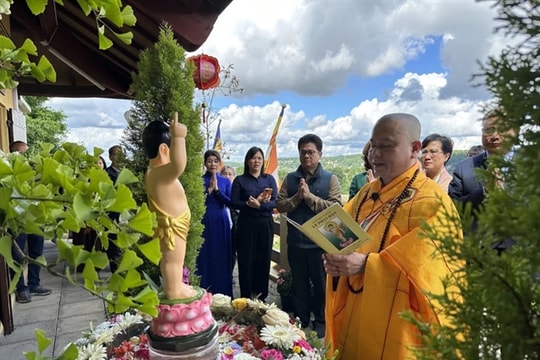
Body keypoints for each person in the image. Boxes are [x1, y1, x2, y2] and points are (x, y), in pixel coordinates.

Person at [324, 113, 461, 359]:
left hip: (399, 322)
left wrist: (366, 264)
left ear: (414, 148)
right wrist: (335, 256)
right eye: (373, 146)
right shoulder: (367, 193)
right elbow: (336, 230)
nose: (375, 154)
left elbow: (432, 273)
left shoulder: (432, 201)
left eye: (386, 146)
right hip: (356, 308)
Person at [276, 134, 342, 338]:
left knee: (321, 285)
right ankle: (302, 319)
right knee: (299, 284)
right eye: (303, 152)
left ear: (320, 154)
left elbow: (336, 207)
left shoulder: (330, 178)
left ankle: (321, 320)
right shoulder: (290, 178)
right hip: (296, 242)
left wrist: (309, 198)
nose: (306, 156)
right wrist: (297, 198)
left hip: (320, 244)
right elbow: (280, 204)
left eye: (311, 152)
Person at [142, 113, 197, 300]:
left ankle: (176, 284)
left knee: (175, 259)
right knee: (172, 260)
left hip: (175, 224)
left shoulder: (153, 173)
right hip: (171, 226)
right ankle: (173, 290)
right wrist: (179, 137)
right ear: (165, 149)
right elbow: (179, 165)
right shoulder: (159, 173)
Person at [448, 110, 517, 251]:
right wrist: (483, 192)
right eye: (488, 130)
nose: (494, 136)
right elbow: (452, 209)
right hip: (479, 256)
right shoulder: (464, 168)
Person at [230, 147, 277, 301]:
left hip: (265, 223)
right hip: (246, 224)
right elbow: (234, 202)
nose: (256, 161)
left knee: (263, 258)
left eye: (259, 158)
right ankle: (246, 297)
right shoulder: (240, 180)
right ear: (247, 161)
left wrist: (261, 205)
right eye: (253, 158)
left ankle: (261, 297)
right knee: (246, 259)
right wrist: (249, 205)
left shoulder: (269, 179)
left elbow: (276, 202)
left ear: (263, 161)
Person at [9, 141, 52, 303]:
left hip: (35, 217)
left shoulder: (34, 172)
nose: (25, 157)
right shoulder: (8, 175)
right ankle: (21, 288)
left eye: (26, 153)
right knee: (17, 255)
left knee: (37, 252)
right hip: (17, 220)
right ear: (13, 154)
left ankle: (34, 283)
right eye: (21, 153)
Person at [197, 150, 233, 296]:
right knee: (205, 255)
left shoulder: (225, 181)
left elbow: (231, 202)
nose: (213, 164)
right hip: (205, 221)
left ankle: (223, 292)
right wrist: (208, 192)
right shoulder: (199, 181)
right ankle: (204, 291)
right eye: (210, 161)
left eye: (215, 161)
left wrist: (218, 191)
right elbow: (196, 204)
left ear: (219, 163)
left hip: (221, 220)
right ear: (205, 163)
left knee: (221, 255)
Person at [73, 155, 107, 272]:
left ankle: (95, 266)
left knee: (96, 242)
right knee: (82, 241)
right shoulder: (84, 179)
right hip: (83, 216)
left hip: (100, 216)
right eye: (95, 163)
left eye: (100, 163)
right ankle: (82, 265)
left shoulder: (106, 181)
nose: (98, 165)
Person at [105, 145, 123, 273]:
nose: (119, 157)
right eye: (116, 154)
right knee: (113, 241)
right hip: (112, 212)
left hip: (126, 211)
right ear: (111, 157)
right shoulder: (106, 174)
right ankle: (115, 268)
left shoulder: (128, 171)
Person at [221, 165, 239, 271]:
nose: (227, 176)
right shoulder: (217, 188)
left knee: (232, 251)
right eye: (225, 174)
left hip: (234, 224)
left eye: (230, 174)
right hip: (221, 222)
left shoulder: (237, 190)